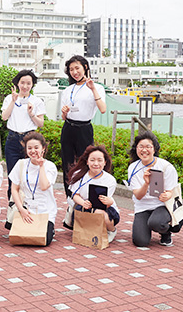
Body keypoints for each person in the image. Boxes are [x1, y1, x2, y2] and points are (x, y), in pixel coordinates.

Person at [60, 55, 107, 198]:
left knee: (86, 163)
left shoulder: (97, 87)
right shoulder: (68, 90)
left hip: (84, 129)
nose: (74, 72)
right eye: (71, 69)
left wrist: (92, 89)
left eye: (77, 68)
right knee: (67, 164)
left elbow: (103, 109)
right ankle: (70, 197)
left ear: (85, 67)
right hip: (68, 128)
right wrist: (64, 113)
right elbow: (63, 116)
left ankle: (85, 196)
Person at [127, 131, 179, 247]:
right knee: (140, 242)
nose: (144, 150)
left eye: (148, 147)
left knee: (157, 222)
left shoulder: (166, 167)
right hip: (142, 207)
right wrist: (146, 183)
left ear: (154, 149)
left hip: (161, 205)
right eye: (141, 146)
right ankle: (147, 226)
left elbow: (171, 191)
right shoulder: (133, 168)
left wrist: (167, 195)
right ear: (136, 149)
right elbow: (138, 196)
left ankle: (166, 232)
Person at [2, 69, 46, 202]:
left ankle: (30, 203)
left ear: (32, 85)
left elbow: (41, 123)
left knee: (30, 174)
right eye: (22, 83)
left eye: (28, 83)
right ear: (17, 83)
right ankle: (12, 206)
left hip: (30, 140)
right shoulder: (10, 98)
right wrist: (12, 101)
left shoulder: (37, 101)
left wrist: (31, 113)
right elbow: (4, 117)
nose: (25, 86)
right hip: (13, 139)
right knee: (13, 175)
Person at [9, 132, 57, 246]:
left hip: (45, 210)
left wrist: (41, 166)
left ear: (43, 149)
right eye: (29, 148)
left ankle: (51, 228)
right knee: (19, 239)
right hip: (27, 209)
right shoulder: (21, 164)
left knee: (44, 240)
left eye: (36, 147)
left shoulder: (50, 166)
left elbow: (44, 186)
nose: (33, 151)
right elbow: (14, 189)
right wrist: (22, 210)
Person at [67, 145, 119, 243]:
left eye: (100, 160)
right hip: (84, 206)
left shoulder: (110, 180)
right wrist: (83, 203)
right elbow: (75, 195)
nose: (96, 163)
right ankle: (90, 229)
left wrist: (109, 201)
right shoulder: (79, 175)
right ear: (87, 161)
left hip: (104, 208)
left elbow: (108, 200)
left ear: (105, 163)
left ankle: (111, 230)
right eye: (92, 160)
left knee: (101, 214)